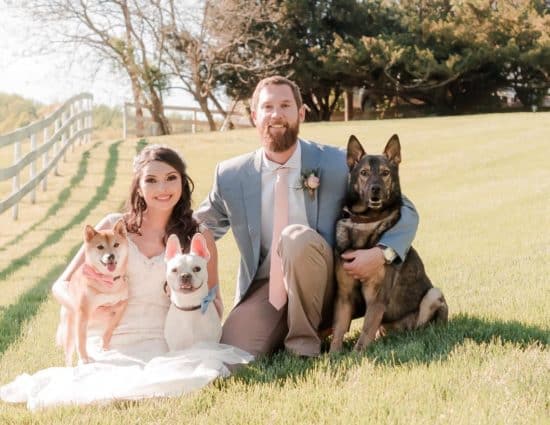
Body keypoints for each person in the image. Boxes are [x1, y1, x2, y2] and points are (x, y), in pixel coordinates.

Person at [0, 145, 251, 410]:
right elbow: (61, 285)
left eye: (171, 178)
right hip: (112, 337)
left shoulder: (198, 235)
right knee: (101, 383)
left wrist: (196, 310)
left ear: (183, 182)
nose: (162, 188)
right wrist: (86, 308)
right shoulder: (112, 226)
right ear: (138, 186)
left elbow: (215, 300)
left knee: (196, 373)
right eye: (151, 180)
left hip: (170, 338)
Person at [195, 76, 419, 358]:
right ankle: (282, 326)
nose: (276, 114)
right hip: (267, 288)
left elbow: (405, 209)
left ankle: (303, 347)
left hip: (328, 286)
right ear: (254, 116)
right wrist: (136, 227)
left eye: (286, 105)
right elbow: (198, 226)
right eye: (267, 107)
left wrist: (381, 254)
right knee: (232, 354)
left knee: (295, 238)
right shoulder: (231, 174)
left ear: (301, 113)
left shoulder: (336, 163)